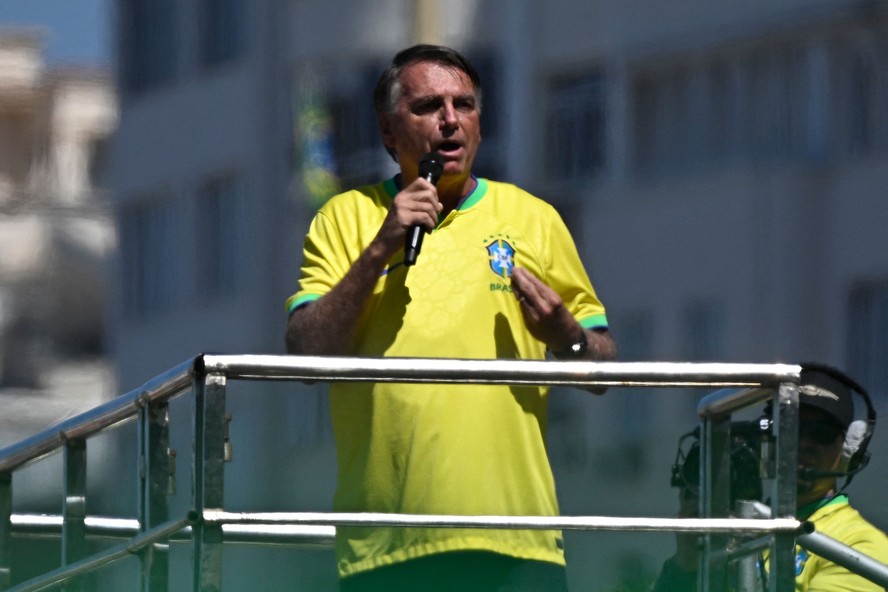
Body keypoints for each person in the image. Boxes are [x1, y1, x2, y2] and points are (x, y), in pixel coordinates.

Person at [285, 44, 617, 591]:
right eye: (427, 107)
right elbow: (306, 356)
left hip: (517, 540)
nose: (449, 121)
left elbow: (604, 370)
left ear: (481, 124)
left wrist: (566, 334)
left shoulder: (534, 219)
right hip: (388, 546)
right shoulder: (345, 218)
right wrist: (380, 248)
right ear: (389, 131)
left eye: (464, 105)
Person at [652, 366, 888, 591]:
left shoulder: (859, 547)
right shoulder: (745, 529)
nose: (803, 443)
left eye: (820, 433)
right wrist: (686, 563)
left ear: (849, 452)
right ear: (768, 439)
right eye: (790, 427)